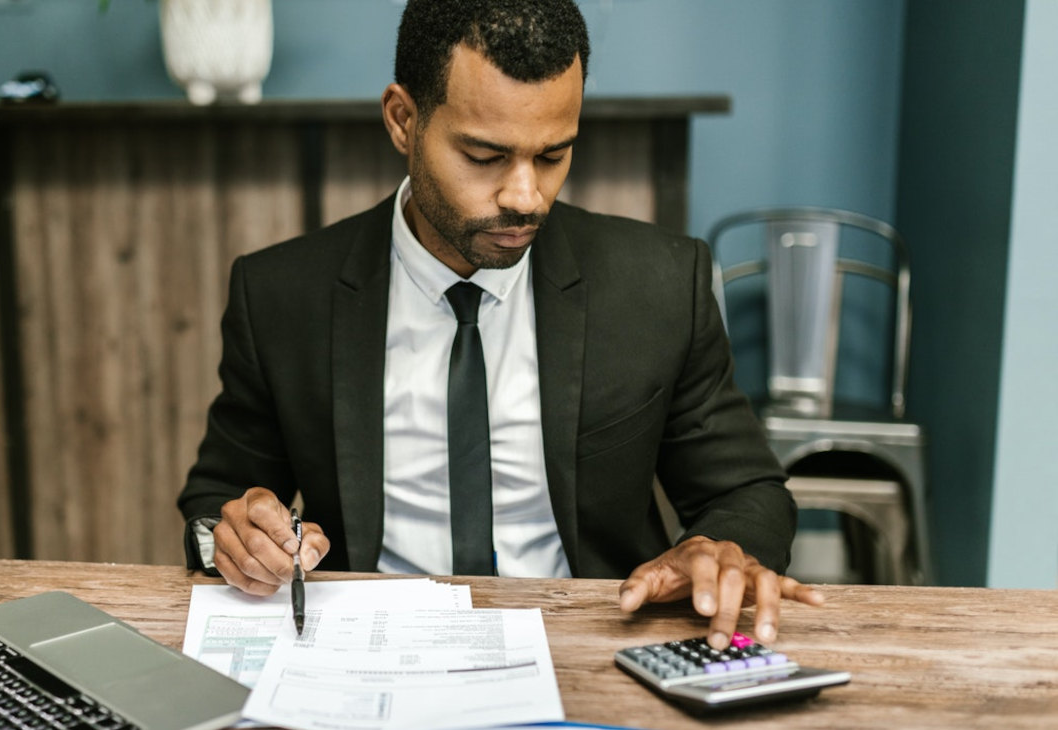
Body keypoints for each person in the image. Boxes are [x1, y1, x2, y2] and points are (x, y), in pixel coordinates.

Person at [178, 0, 823, 651]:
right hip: (370, 649)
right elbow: (215, 499)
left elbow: (748, 491)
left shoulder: (659, 285)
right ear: (403, 120)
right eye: (485, 155)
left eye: (552, 155)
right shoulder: (284, 295)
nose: (525, 195)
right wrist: (234, 538)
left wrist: (719, 551)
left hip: (597, 643)